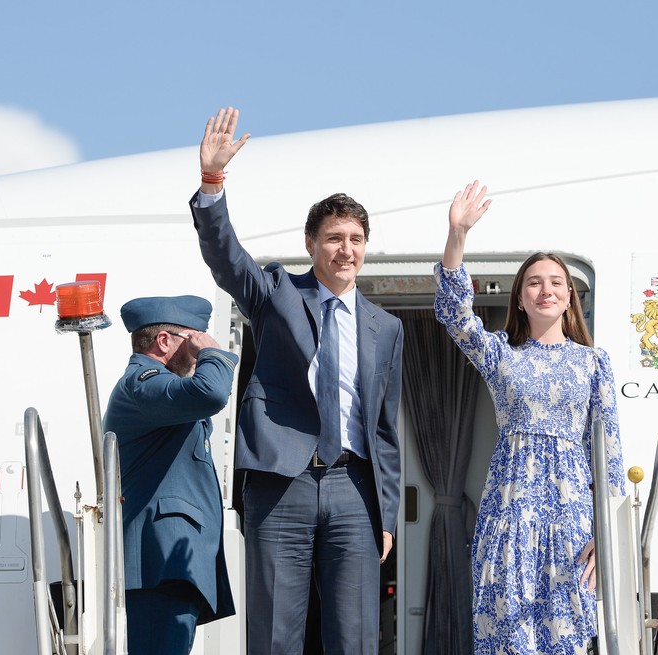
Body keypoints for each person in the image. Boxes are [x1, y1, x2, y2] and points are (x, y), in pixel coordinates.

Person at [188, 107, 404, 655]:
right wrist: (212, 182)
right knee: (275, 634)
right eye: (334, 238)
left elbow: (384, 430)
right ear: (312, 244)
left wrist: (388, 514)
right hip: (282, 482)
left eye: (356, 238)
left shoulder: (387, 327)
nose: (346, 250)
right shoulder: (278, 293)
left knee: (355, 636)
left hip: (354, 490)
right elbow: (227, 260)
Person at [434, 181, 625, 655]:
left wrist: (608, 529)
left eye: (556, 282)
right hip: (510, 511)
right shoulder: (501, 355)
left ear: (568, 297)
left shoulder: (593, 362)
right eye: (534, 283)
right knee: (509, 636)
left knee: (569, 636)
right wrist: (457, 235)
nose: (546, 290)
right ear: (519, 297)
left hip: (573, 517)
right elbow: (455, 315)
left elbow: (610, 450)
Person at [102, 295, 239, 655]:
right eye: (192, 340)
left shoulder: (158, 391)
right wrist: (213, 353)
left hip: (171, 568)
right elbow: (210, 392)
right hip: (158, 567)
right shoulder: (142, 382)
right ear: (165, 341)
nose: (198, 349)